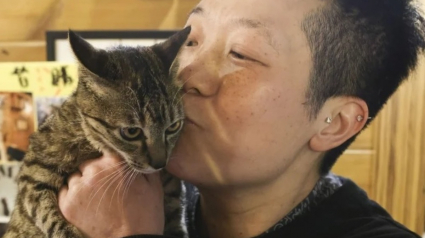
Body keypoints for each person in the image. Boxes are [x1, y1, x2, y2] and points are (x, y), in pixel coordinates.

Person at [58, 0, 424, 237]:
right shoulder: (134, 191)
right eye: (191, 40)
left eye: (240, 53)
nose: (186, 75)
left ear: (336, 121)